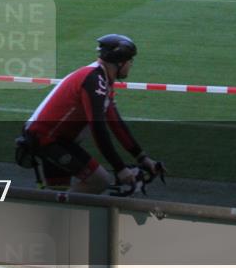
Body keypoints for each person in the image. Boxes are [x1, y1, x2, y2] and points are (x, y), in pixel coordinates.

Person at [20, 34, 165, 194]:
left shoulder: (102, 80)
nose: (131, 64)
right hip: (46, 139)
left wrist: (141, 157)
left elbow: (116, 123)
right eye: (130, 60)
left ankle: (52, 212)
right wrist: (120, 168)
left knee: (57, 191)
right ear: (119, 62)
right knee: (99, 181)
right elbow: (98, 128)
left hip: (57, 139)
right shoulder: (94, 81)